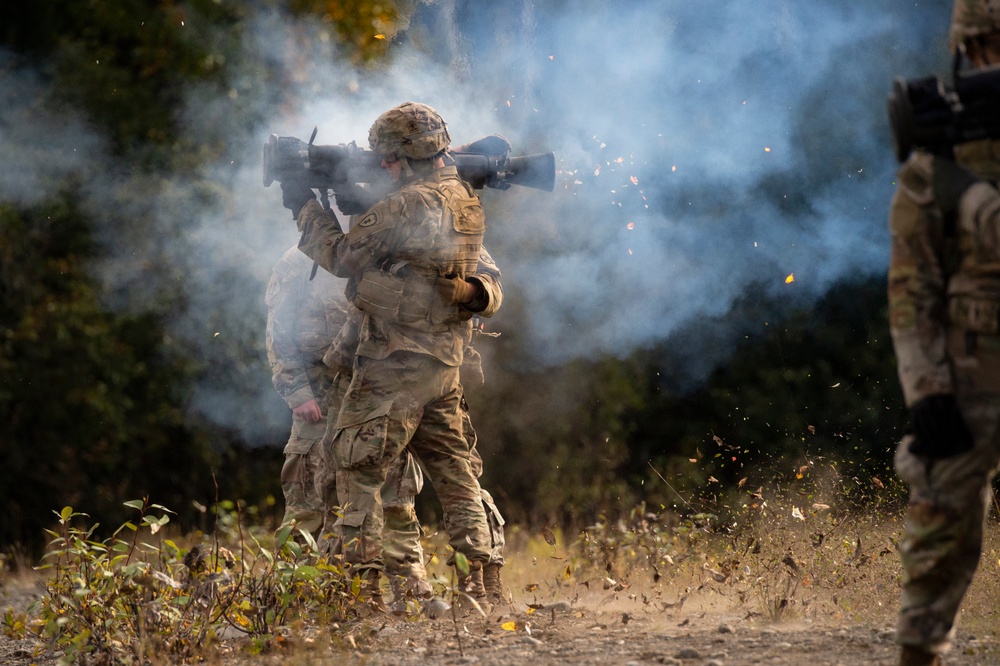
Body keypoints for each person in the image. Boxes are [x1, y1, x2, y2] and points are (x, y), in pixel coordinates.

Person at [280, 101, 501, 604]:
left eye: (387, 158)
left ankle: (361, 590)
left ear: (402, 157)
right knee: (454, 471)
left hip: (392, 360)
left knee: (356, 467)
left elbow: (340, 257)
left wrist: (305, 207)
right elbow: (408, 248)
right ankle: (482, 585)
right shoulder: (462, 195)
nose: (382, 166)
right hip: (442, 360)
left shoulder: (405, 204)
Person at [889, 2, 1000, 664]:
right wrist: (927, 391)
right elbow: (912, 288)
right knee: (944, 513)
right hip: (972, 364)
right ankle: (922, 651)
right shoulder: (938, 160)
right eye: (986, 47)